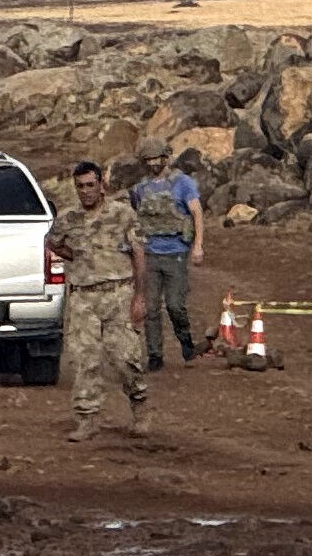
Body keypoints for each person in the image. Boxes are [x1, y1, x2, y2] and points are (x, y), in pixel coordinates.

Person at [45, 159, 149, 440]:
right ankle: (87, 418)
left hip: (118, 293)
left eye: (91, 185)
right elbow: (52, 242)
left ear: (101, 185)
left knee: (125, 358)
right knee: (84, 359)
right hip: (83, 297)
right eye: (80, 186)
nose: (86, 191)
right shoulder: (68, 219)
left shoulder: (122, 214)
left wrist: (139, 296)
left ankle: (139, 404)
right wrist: (76, 257)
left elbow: (138, 253)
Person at [133, 156, 206, 368]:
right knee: (151, 307)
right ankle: (155, 356)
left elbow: (196, 213)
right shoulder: (141, 188)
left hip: (176, 254)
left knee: (175, 305)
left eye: (157, 157)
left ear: (165, 157)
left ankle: (186, 343)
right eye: (148, 158)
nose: (153, 162)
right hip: (150, 254)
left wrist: (198, 246)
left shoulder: (183, 183)